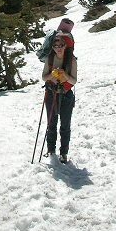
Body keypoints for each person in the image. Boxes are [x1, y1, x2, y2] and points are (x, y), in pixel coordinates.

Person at [42, 30, 77, 163]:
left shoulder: (72, 60)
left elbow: (74, 81)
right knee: (51, 123)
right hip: (51, 93)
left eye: (61, 45)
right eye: (55, 46)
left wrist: (64, 75)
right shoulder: (50, 59)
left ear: (65, 46)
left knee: (65, 125)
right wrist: (52, 75)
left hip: (66, 95)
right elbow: (43, 77)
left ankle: (63, 153)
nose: (58, 48)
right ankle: (51, 150)